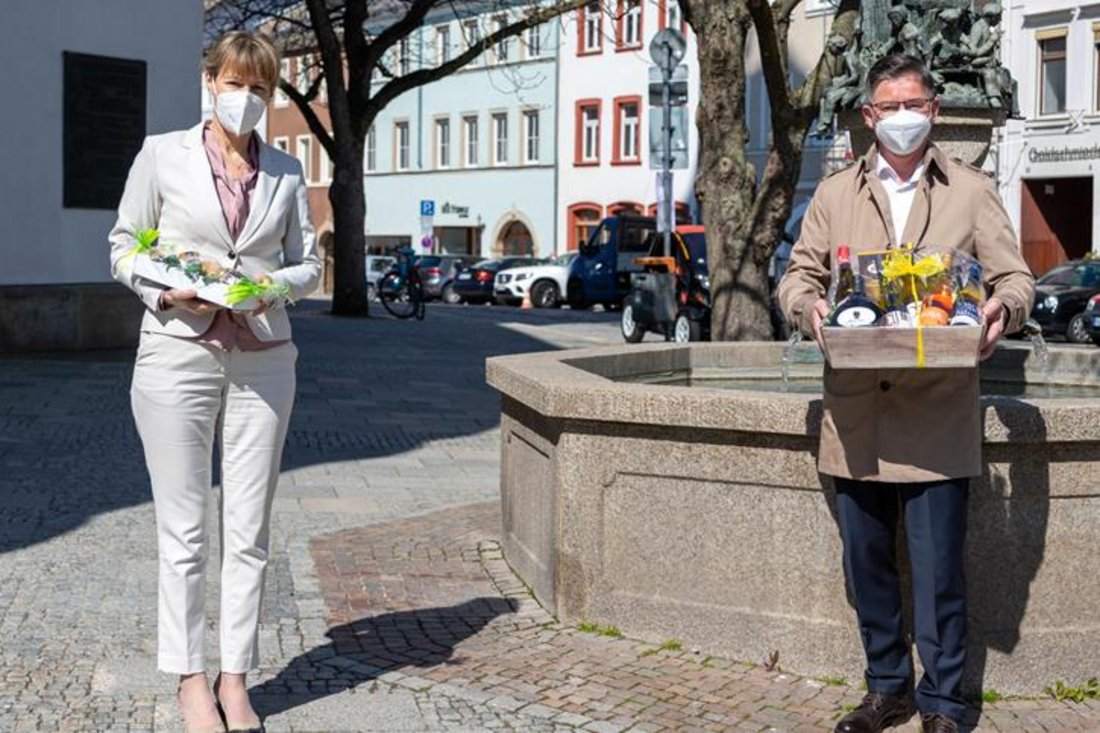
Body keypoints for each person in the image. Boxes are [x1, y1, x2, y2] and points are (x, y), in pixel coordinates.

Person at [777, 54, 1034, 733]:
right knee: (869, 569)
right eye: (887, 107)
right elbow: (797, 278)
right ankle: (887, 686)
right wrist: (809, 313)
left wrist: (1001, 310)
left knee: (939, 570)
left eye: (912, 104)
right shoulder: (834, 195)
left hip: (937, 410)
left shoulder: (972, 191)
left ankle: (944, 701)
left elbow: (1016, 278)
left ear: (935, 111)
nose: (900, 118)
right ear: (868, 115)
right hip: (856, 415)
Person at [108, 31, 321, 733]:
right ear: (209, 82)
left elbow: (307, 264)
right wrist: (169, 294)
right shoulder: (161, 155)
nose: (247, 99)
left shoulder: (288, 171)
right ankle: (189, 680)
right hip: (177, 355)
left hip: (264, 357)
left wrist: (270, 287)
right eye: (236, 84)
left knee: (250, 529)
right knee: (185, 528)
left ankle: (236, 678)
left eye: (260, 88)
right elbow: (123, 245)